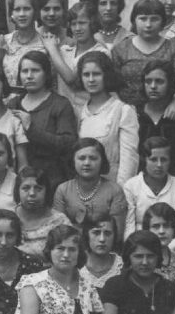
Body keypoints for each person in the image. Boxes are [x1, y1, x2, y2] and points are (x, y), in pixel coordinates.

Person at [110, 0, 175, 118]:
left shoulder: (174, 49)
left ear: (163, 22)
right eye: (142, 19)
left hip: (163, 113)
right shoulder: (120, 49)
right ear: (134, 21)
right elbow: (112, 87)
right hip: (127, 113)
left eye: (154, 19)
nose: (148, 25)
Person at [15, 50, 79, 199]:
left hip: (53, 180)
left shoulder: (60, 104)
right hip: (21, 181)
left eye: (35, 70)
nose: (29, 76)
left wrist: (31, 129)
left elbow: (68, 143)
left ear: (46, 74)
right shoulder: (14, 104)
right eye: (24, 71)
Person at [74, 49, 138, 181]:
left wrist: (120, 195)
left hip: (113, 186)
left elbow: (129, 160)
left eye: (96, 74)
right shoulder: (79, 112)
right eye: (86, 75)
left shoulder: (123, 110)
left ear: (106, 75)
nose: (91, 79)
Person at [123, 134, 175, 252]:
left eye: (164, 159)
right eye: (153, 159)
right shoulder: (131, 186)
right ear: (144, 159)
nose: (159, 165)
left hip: (173, 249)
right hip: (140, 250)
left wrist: (165, 249)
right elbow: (129, 227)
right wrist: (140, 249)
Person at [54, 137, 128, 237]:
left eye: (93, 158)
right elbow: (60, 233)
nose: (87, 163)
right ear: (73, 161)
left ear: (102, 161)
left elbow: (116, 233)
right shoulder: (63, 190)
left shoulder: (114, 190)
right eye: (81, 158)